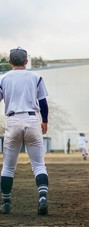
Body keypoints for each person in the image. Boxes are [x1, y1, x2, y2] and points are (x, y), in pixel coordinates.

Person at [0, 47, 50, 215]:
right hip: (32, 120)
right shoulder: (36, 77)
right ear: (26, 61)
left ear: (9, 62)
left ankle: (6, 203)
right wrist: (45, 121)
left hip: (13, 120)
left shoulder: (3, 78)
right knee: (38, 164)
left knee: (8, 167)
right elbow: (43, 103)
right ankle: (42, 197)